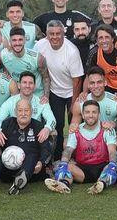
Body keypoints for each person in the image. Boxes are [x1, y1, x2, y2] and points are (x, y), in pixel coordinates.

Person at [0, 98, 52, 195]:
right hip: (8, 170)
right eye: (20, 110)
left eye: (26, 110)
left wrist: (41, 163)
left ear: (31, 112)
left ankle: (19, 181)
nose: (23, 113)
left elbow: (46, 149)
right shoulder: (8, 124)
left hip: (32, 171)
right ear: (15, 112)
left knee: (32, 156)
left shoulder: (38, 126)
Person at [45, 100, 117, 194]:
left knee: (111, 167)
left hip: (102, 167)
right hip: (82, 170)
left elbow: (112, 151)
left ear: (99, 114)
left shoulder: (107, 129)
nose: (90, 115)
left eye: (94, 112)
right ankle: (63, 184)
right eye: (87, 112)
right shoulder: (76, 130)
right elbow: (68, 150)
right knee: (67, 167)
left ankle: (101, 184)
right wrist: (63, 163)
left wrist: (112, 164)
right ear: (83, 115)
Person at [36, 21, 85, 158]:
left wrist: (73, 103)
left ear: (63, 33)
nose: (55, 37)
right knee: (56, 125)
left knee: (74, 125)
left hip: (71, 91)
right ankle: (56, 158)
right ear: (46, 34)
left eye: (58, 33)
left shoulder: (72, 51)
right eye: (51, 34)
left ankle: (77, 157)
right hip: (54, 91)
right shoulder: (40, 46)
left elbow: (77, 81)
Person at [72, 66, 117, 133]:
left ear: (105, 83)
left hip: (110, 138)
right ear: (88, 85)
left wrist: (113, 124)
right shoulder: (80, 103)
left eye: (99, 82)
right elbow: (73, 130)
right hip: (89, 140)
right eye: (92, 83)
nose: (96, 86)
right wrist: (74, 128)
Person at [85, 25, 117, 97]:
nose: (104, 41)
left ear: (113, 39)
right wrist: (84, 93)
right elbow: (88, 76)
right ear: (97, 41)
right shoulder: (94, 53)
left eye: (107, 37)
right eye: (100, 38)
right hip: (107, 87)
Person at [0, 27, 49, 95]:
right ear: (10, 41)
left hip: (37, 95)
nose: (17, 43)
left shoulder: (37, 58)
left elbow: (46, 78)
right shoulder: (3, 55)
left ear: (25, 40)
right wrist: (6, 71)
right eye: (14, 40)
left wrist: (46, 96)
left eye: (20, 40)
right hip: (17, 95)